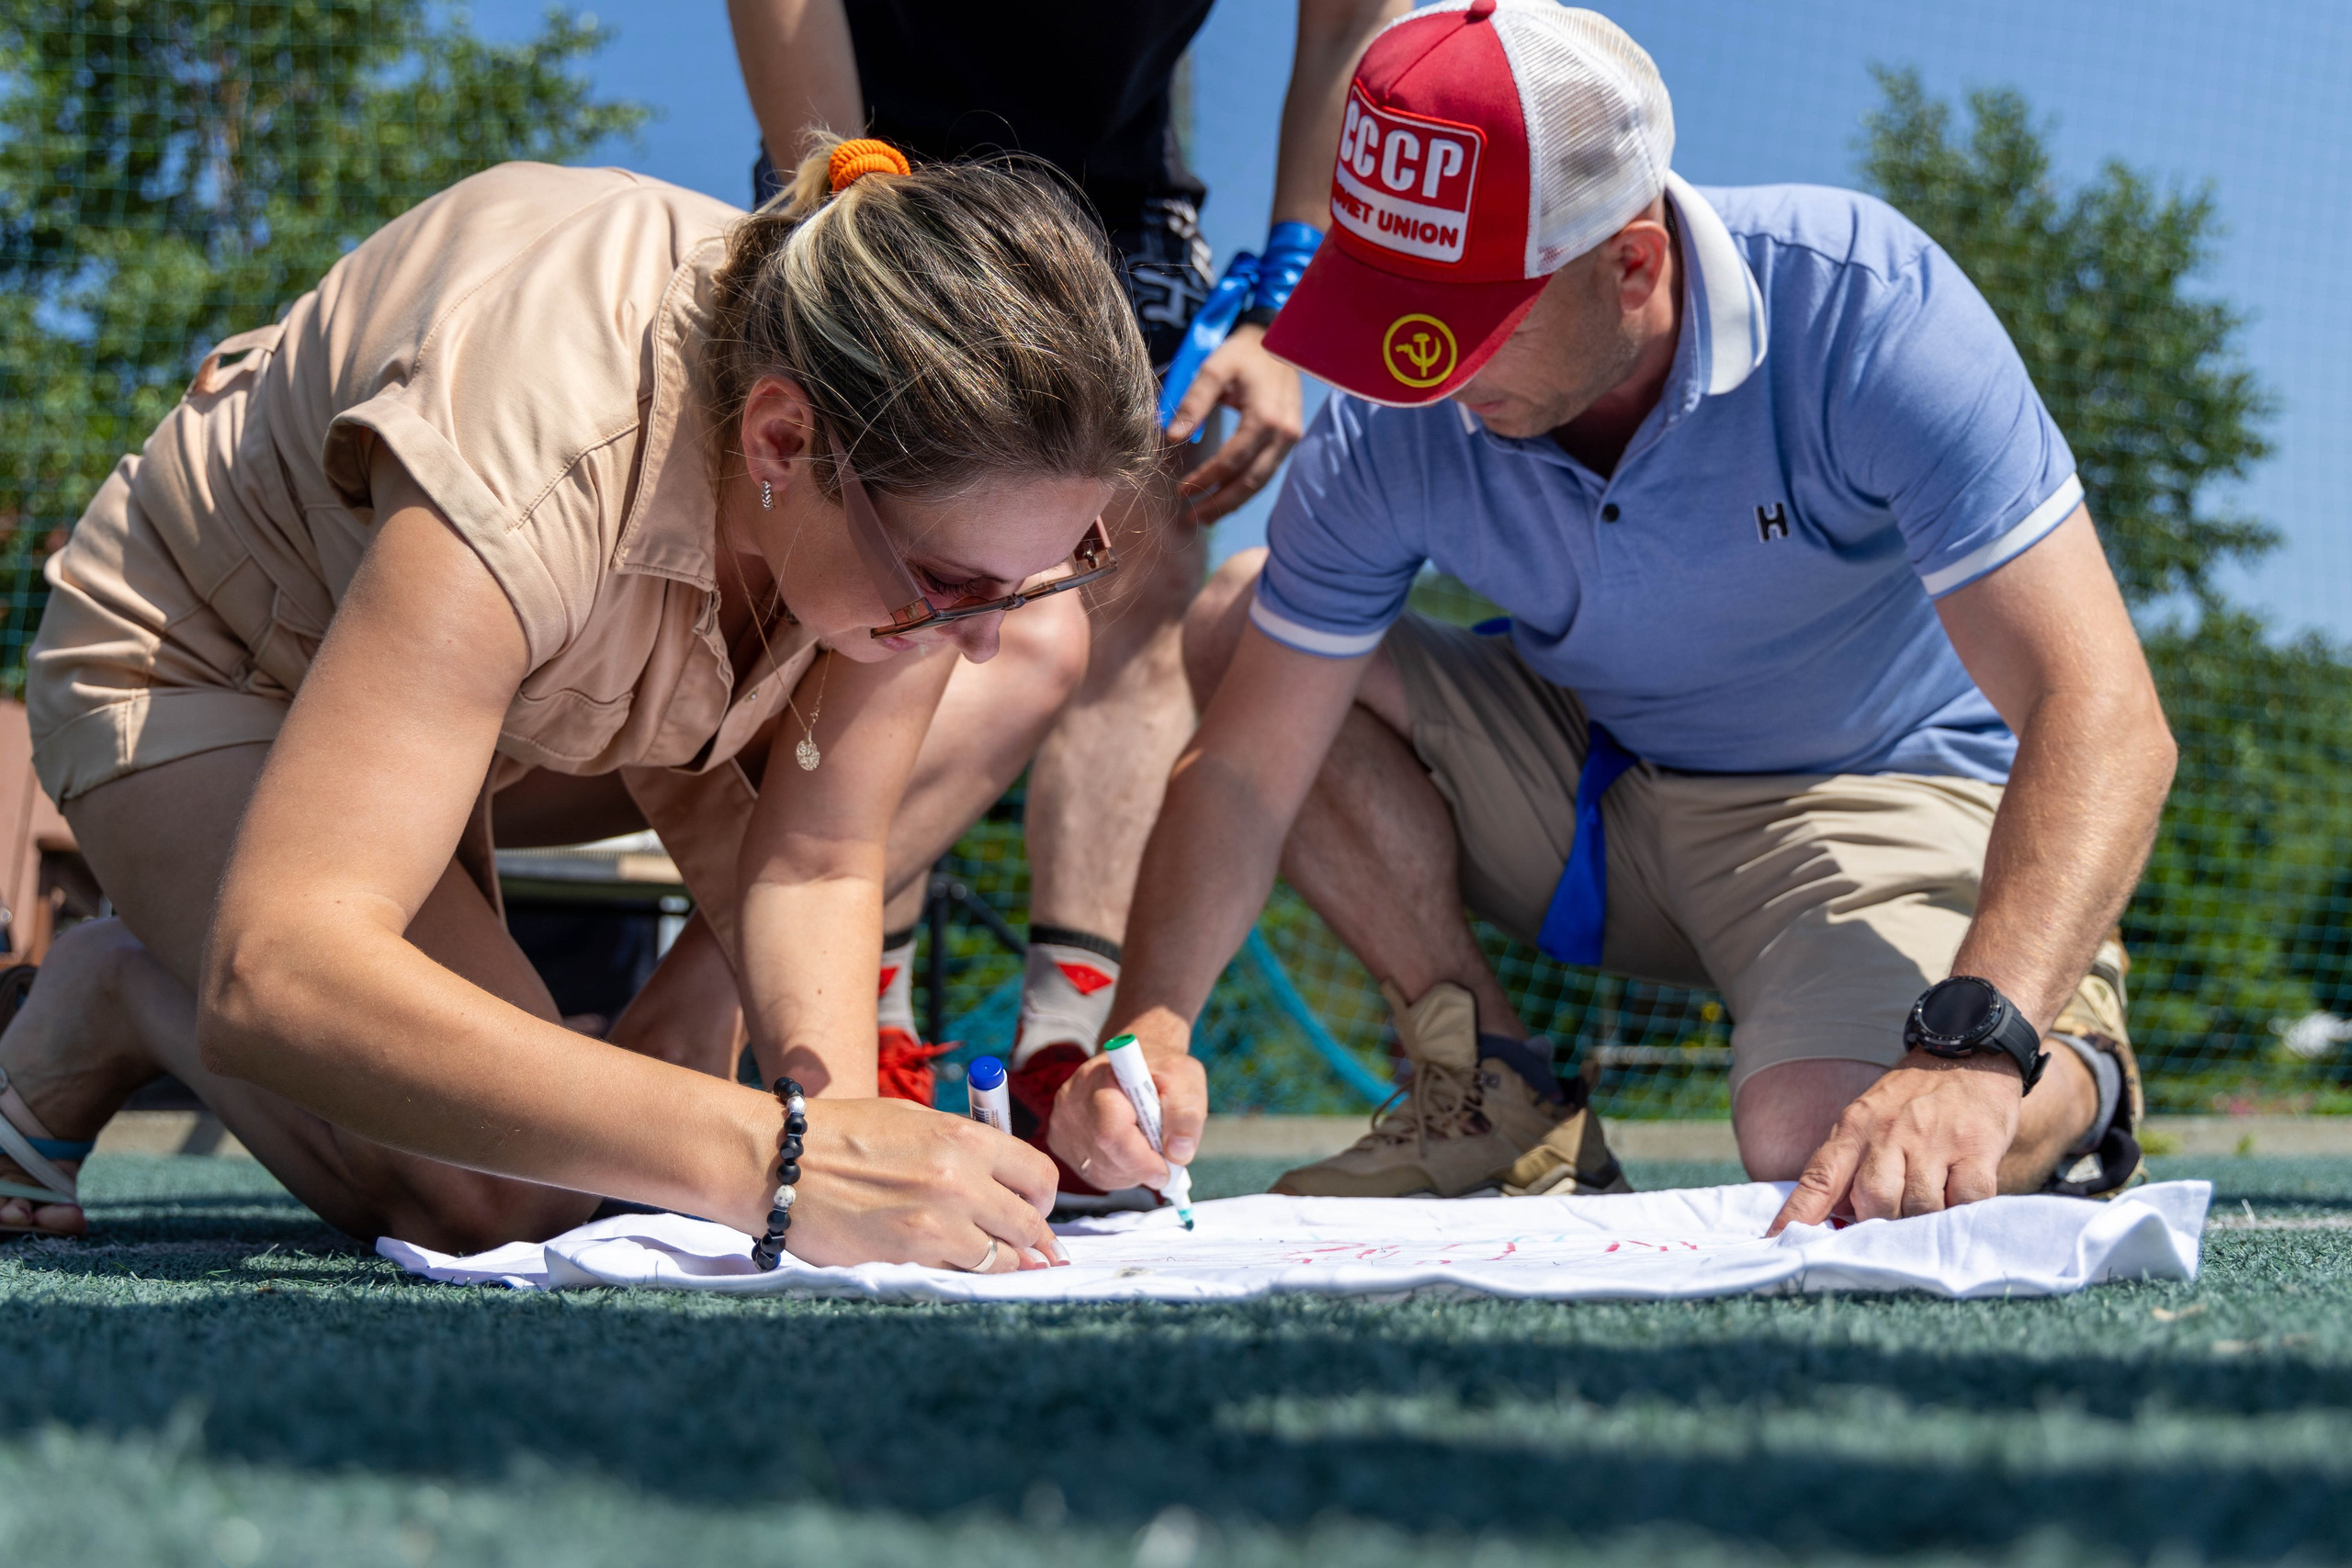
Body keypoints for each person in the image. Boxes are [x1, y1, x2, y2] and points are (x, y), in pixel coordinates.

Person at [1050, 0, 2176, 1225]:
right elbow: (1248, 774)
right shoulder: (1400, 401)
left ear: (1630, 264)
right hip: (1600, 790)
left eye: (1464, 321)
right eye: (1385, 303)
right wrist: (1149, 1028)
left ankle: (2078, 1063)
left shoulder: (1865, 306)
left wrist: (1972, 1049)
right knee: (1242, 614)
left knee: (1825, 1149)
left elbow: (2105, 712)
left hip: (1873, 795)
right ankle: (1494, 1092)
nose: (1415, 369)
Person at [0, 138, 1162, 1269]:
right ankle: (127, 991)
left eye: (1052, 565)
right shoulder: (539, 438)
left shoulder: (884, 451)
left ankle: (663, 1052)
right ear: (780, 438)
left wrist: (864, 1167)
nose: (980, 634)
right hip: (208, 665)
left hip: (509, 707)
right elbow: (285, 965)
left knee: (598, 1133)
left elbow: (818, 859)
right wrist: (782, 1157)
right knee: (505, 1187)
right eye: (954, 584)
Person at [726, 0, 1408, 1169]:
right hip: (871, 152)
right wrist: (848, 202)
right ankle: (857, 1027)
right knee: (890, 564)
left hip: (1108, 188)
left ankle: (1066, 1056)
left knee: (1135, 542)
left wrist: (1289, 297)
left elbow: (1352, 14)